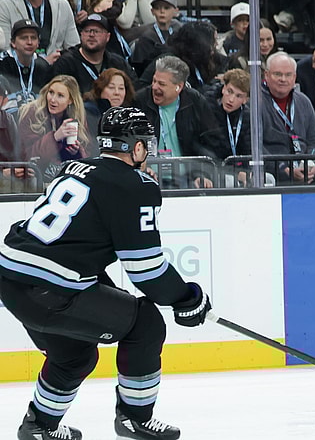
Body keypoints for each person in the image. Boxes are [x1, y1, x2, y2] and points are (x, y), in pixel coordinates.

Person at [0, 106, 212, 440]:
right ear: (138, 148)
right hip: (52, 288)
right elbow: (146, 270)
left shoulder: (74, 167)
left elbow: (75, 249)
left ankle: (38, 426)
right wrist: (187, 297)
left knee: (73, 353)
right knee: (145, 323)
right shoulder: (134, 185)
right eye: (146, 144)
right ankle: (134, 418)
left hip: (12, 280)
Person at [133, 55, 223, 188]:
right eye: (154, 81)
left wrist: (201, 173)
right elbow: (129, 143)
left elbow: (211, 143)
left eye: (162, 84)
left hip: (187, 178)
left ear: (179, 87)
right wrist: (140, 167)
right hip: (147, 177)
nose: (154, 87)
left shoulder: (196, 102)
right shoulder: (139, 101)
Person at [262, 52, 315, 184]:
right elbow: (255, 146)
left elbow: (314, 141)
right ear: (266, 75)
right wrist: (283, 168)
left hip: (304, 170)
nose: (283, 79)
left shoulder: (304, 101)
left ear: (294, 77)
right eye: (277, 74)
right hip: (273, 173)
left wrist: (312, 164)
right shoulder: (255, 103)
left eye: (288, 75)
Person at [18, 75, 92, 182]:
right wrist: (55, 137)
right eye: (51, 92)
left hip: (65, 179)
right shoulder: (31, 113)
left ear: (70, 100)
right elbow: (27, 156)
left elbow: (87, 156)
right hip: (35, 180)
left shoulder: (77, 117)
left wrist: (77, 152)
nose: (52, 99)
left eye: (60, 95)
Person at [53, 13, 137, 94]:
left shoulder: (118, 63)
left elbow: (135, 89)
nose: (91, 35)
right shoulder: (66, 63)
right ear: (81, 34)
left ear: (107, 37)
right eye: (87, 31)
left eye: (97, 31)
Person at [207, 68, 254, 187]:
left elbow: (249, 149)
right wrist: (235, 172)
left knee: (267, 179)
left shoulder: (247, 117)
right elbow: (212, 150)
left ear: (245, 100)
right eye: (229, 91)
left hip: (237, 169)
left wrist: (246, 171)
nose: (231, 99)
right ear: (223, 88)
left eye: (238, 96)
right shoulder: (207, 109)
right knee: (229, 182)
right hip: (214, 169)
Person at [0, 0, 80, 64]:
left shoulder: (63, 5)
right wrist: (42, 63)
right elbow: (6, 51)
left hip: (57, 71)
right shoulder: (4, 5)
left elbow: (74, 48)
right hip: (19, 73)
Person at [0, 19, 53, 114]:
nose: (29, 42)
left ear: (38, 43)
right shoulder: (3, 63)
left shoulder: (43, 66)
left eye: (33, 38)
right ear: (13, 43)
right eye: (24, 38)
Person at [128, 0, 181, 77]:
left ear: (176, 11)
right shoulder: (146, 37)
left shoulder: (180, 33)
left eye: (166, 8)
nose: (162, 11)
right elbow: (139, 68)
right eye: (157, 8)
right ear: (152, 11)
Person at [83, 67, 136, 142]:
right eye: (111, 87)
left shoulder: (127, 114)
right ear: (100, 89)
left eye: (121, 88)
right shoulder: (89, 111)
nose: (117, 93)